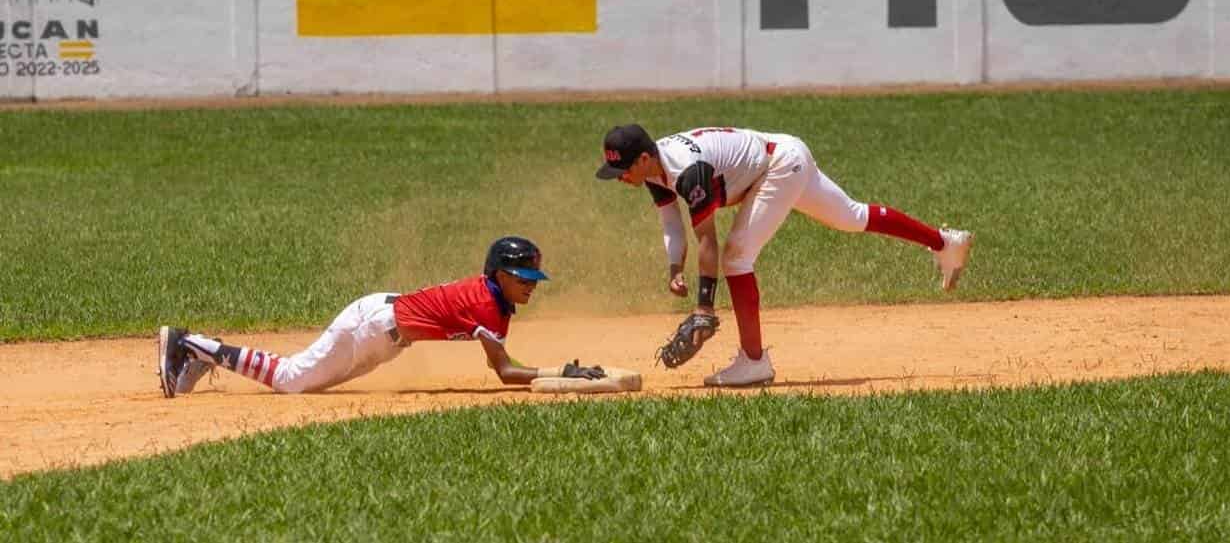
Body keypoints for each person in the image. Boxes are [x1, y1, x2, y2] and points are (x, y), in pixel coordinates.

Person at [595, 124, 973, 388]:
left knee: (735, 258)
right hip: (784, 153)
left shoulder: (688, 171)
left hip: (778, 166)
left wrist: (704, 308)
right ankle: (944, 243)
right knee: (851, 217)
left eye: (622, 169)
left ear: (644, 158)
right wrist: (674, 268)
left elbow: (706, 239)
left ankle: (754, 362)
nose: (619, 177)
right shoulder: (653, 170)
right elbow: (672, 225)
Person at [157, 236, 605, 397]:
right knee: (292, 381)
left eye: (533, 276)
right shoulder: (484, 303)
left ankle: (207, 355)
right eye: (521, 275)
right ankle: (192, 344)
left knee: (303, 383)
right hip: (371, 327)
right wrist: (563, 374)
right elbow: (505, 372)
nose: (530, 283)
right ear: (498, 274)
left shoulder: (496, 299)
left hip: (384, 331)